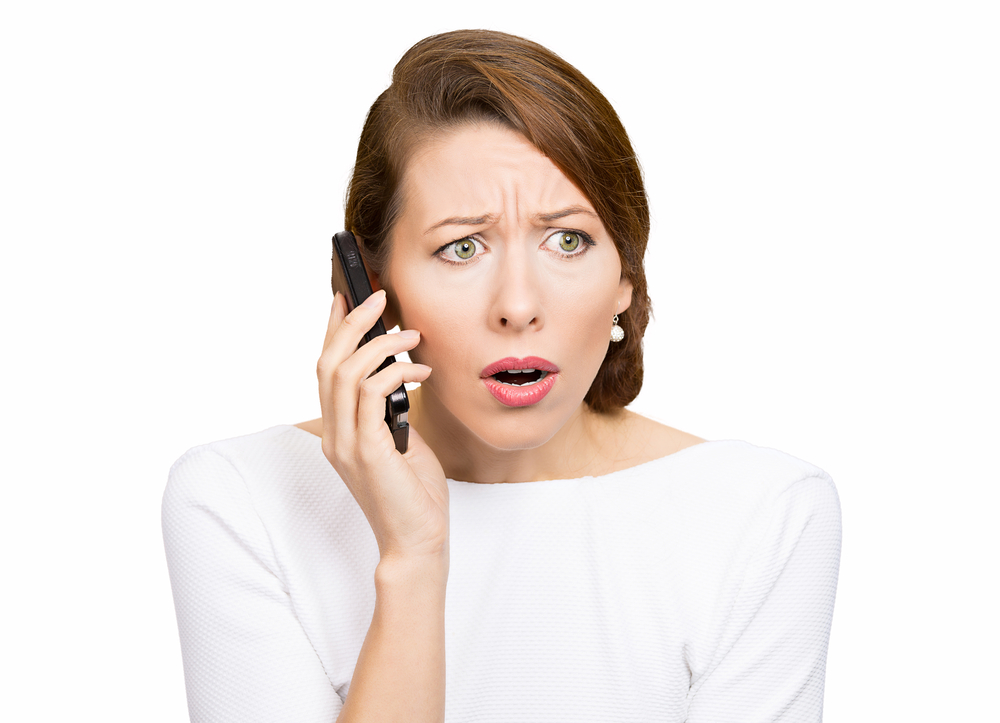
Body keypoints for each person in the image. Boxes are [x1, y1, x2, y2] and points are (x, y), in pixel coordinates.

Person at [162, 29, 841, 723]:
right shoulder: (241, 502)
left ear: (625, 281)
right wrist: (413, 561)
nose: (518, 305)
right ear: (373, 287)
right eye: (462, 246)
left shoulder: (764, 514)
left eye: (568, 240)